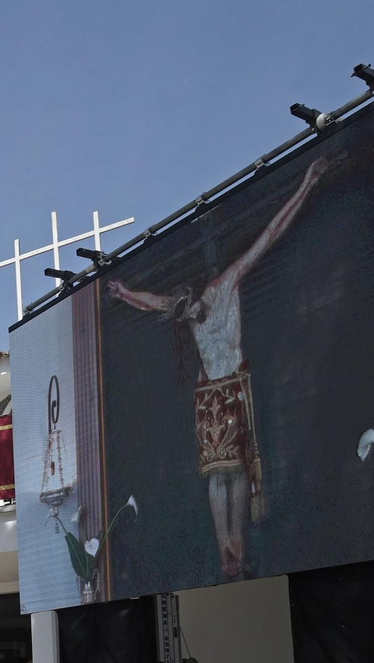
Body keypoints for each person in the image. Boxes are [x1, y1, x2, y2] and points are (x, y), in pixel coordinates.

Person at [104, 152, 337, 578]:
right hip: (208, 392)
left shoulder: (225, 286)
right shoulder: (184, 312)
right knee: (216, 473)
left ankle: (238, 545)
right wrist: (121, 293)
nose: (191, 322)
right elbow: (152, 302)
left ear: (196, 299)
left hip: (233, 384)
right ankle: (225, 549)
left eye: (190, 314)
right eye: (185, 320)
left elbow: (268, 237)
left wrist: (306, 181)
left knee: (236, 471)